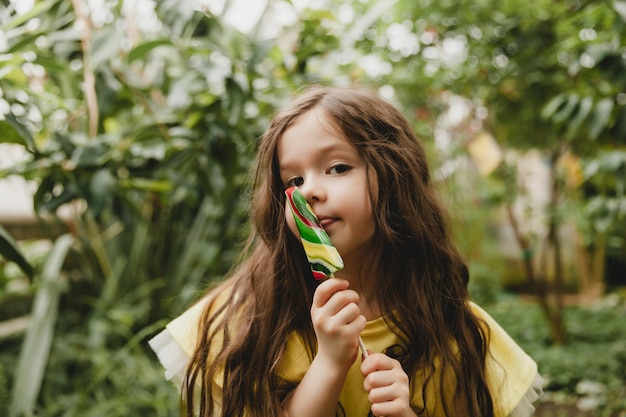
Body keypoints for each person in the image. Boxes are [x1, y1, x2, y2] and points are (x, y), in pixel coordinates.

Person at [149, 85, 543, 417]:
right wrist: (331, 362)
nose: (310, 191)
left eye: (337, 168)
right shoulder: (248, 316)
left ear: (394, 175)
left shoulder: (452, 325)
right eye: (294, 179)